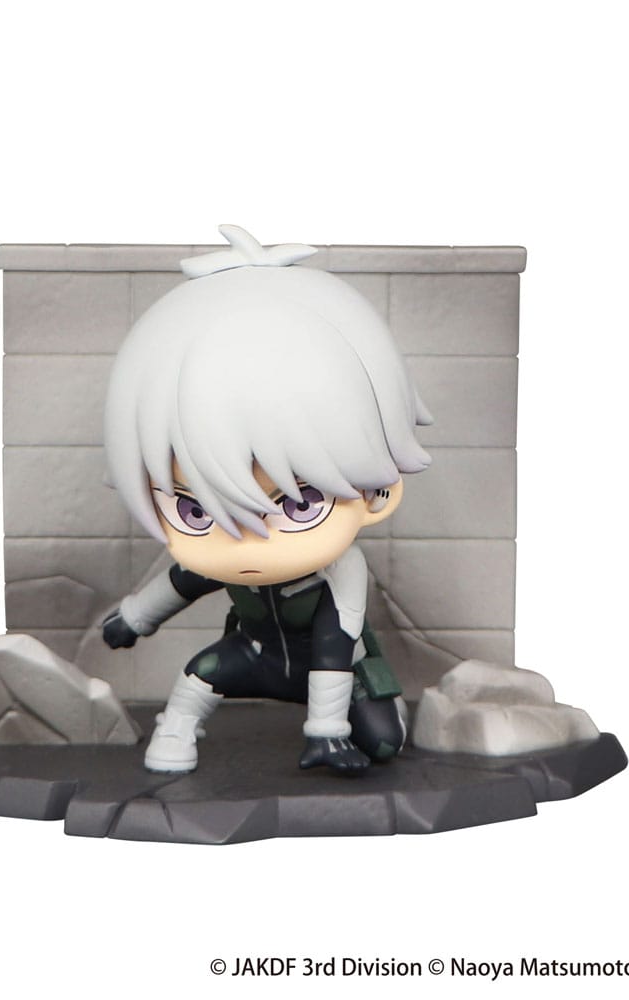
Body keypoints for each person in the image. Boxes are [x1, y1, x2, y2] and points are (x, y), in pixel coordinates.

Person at [102, 226, 431, 773]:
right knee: (200, 673)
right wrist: (134, 618)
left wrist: (327, 731)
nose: (253, 536)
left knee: (383, 742)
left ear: (377, 493)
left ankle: (359, 721)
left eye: (300, 505)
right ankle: (175, 735)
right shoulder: (225, 555)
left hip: (338, 676)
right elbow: (181, 581)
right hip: (254, 656)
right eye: (195, 509)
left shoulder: (340, 570)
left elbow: (334, 643)